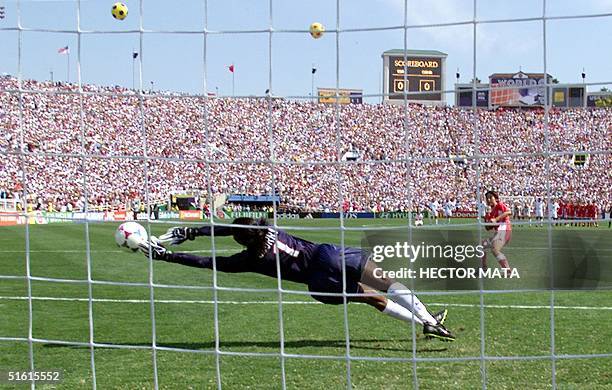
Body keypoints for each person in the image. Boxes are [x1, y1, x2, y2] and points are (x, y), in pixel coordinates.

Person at [139, 217, 455, 341]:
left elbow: (210, 262)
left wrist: (169, 255)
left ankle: (423, 324)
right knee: (388, 281)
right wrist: (194, 231)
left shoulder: (251, 260)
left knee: (372, 297)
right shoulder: (270, 228)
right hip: (328, 254)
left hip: (316, 282)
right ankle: (429, 319)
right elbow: (230, 227)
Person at [480, 191, 512, 273]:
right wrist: (486, 220)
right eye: (487, 198)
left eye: (491, 197)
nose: (489, 199)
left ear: (495, 198)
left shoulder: (499, 205)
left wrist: (496, 219)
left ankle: (507, 269)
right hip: (498, 232)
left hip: (504, 229)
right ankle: (483, 267)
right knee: (481, 245)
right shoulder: (490, 213)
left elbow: (508, 212)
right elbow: (488, 228)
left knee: (495, 249)